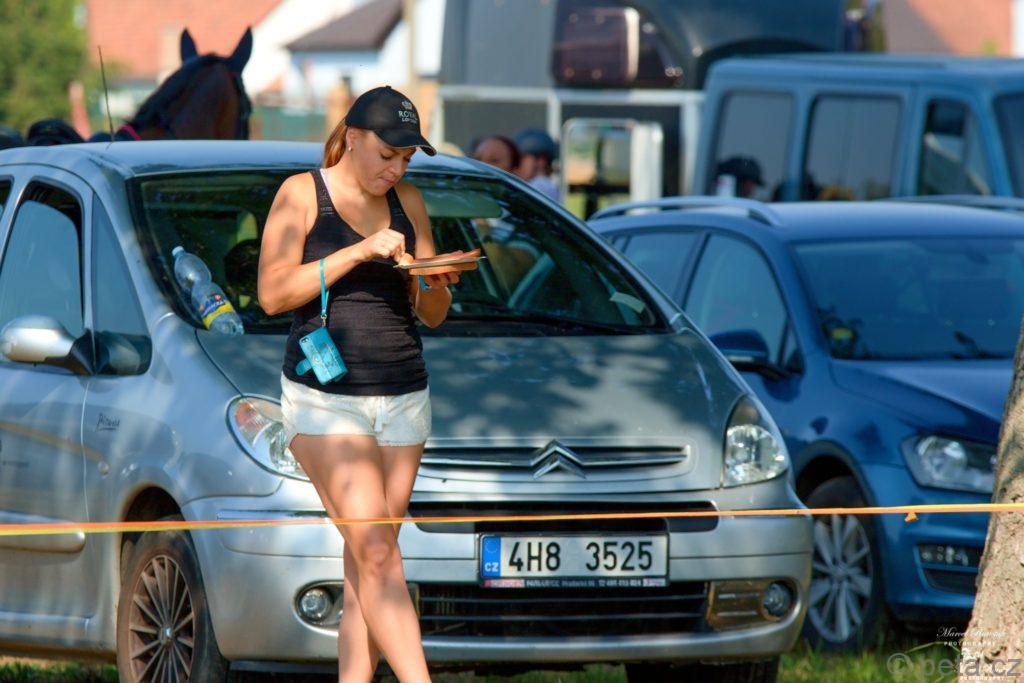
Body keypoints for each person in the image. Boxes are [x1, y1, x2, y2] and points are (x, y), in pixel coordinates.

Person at [257, 85, 457, 682]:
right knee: (377, 553)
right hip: (325, 400)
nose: (396, 169)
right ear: (352, 138)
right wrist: (360, 251)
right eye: (387, 154)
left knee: (367, 565)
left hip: (404, 395)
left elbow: (433, 314)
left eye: (407, 159)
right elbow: (272, 294)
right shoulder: (301, 193)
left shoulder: (408, 200)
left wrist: (434, 280)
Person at [514, 127, 560, 202]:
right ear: (519, 161)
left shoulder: (550, 188)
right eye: (536, 157)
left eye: (548, 159)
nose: (543, 164)